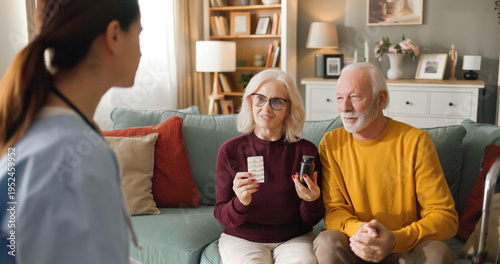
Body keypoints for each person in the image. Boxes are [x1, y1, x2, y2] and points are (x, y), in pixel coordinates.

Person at [0, 0, 142, 263]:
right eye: (139, 34)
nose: (142, 52)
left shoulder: (34, 128)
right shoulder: (77, 155)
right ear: (113, 35)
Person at [314, 62, 459, 264]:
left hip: (403, 247)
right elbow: (333, 210)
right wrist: (361, 230)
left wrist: (394, 239)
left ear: (381, 99)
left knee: (437, 253)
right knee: (327, 241)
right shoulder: (330, 144)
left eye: (355, 97)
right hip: (353, 242)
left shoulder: (416, 141)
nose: (345, 107)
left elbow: (445, 218)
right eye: (340, 97)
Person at [214, 69, 325, 264]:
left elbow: (310, 219)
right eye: (260, 99)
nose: (266, 108)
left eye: (276, 101)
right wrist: (241, 202)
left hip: (294, 238)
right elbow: (221, 215)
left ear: (289, 108)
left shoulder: (306, 152)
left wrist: (312, 200)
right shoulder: (230, 151)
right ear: (250, 101)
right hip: (242, 238)